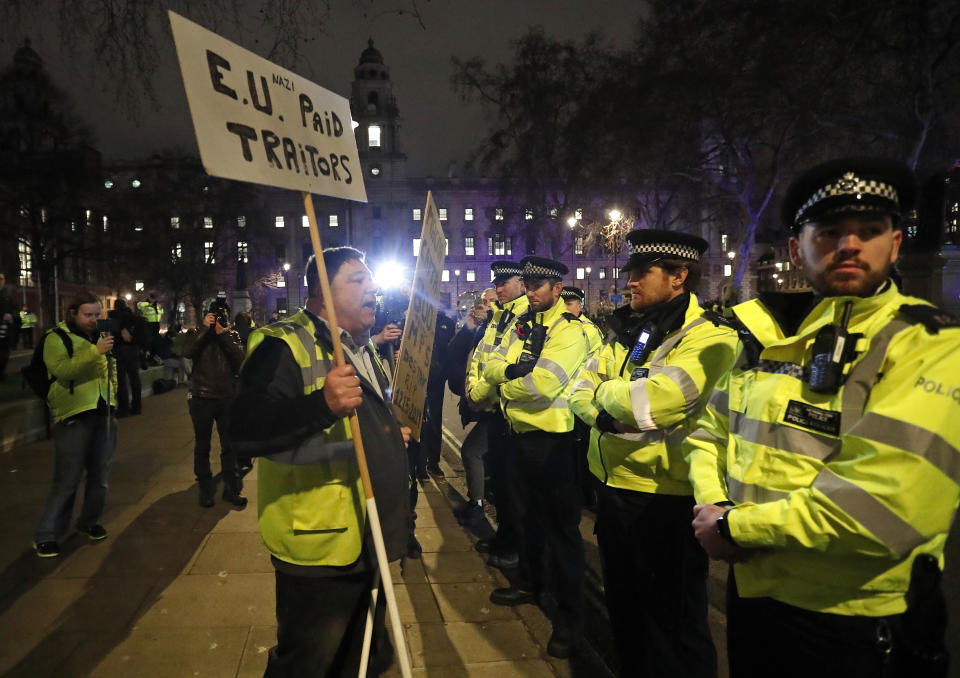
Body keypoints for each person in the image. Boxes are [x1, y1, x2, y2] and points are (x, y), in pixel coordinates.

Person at [685, 157, 960, 678]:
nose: (849, 245)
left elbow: (883, 509)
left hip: (853, 620)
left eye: (869, 231)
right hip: (758, 596)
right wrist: (712, 503)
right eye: (829, 231)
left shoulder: (932, 345)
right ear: (797, 249)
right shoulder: (777, 341)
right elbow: (708, 433)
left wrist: (734, 526)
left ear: (895, 244)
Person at [228, 247, 410, 677]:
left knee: (360, 657)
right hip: (320, 549)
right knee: (308, 664)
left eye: (372, 281)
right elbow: (244, 429)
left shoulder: (363, 347)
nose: (373, 289)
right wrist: (322, 405)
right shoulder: (282, 344)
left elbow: (364, 422)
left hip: (370, 537)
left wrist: (388, 436)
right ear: (322, 294)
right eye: (358, 281)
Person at [568, 231, 738, 677]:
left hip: (666, 501)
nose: (630, 283)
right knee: (626, 615)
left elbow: (655, 402)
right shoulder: (632, 328)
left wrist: (606, 392)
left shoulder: (709, 337)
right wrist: (607, 413)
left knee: (674, 626)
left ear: (679, 276)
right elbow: (577, 392)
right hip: (615, 491)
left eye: (643, 273)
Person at [482, 256, 590, 659]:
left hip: (553, 442)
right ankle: (529, 583)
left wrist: (502, 386)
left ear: (557, 290)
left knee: (562, 533)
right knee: (526, 519)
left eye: (537, 287)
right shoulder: (527, 323)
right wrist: (508, 373)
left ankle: (570, 619)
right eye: (526, 286)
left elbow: (543, 384)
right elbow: (494, 360)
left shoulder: (569, 330)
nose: (529, 293)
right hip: (519, 436)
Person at [32, 291, 117, 558]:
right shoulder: (55, 338)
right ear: (73, 314)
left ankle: (89, 522)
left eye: (96, 314)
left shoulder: (98, 337)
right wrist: (95, 352)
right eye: (87, 315)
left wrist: (112, 396)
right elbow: (63, 370)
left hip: (102, 414)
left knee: (100, 477)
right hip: (74, 415)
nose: (93, 320)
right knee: (67, 479)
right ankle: (47, 534)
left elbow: (108, 368)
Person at [467, 262, 528, 566]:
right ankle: (504, 537)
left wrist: (479, 393)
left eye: (506, 282)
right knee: (500, 482)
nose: (499, 288)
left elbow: (507, 366)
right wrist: (473, 388)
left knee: (511, 485)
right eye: (498, 282)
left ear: (522, 283)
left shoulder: (522, 316)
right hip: (492, 409)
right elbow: (482, 356)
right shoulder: (501, 315)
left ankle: (512, 547)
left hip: (506, 410)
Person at [182, 298, 247, 509]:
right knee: (202, 445)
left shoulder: (232, 335)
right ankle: (205, 489)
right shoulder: (197, 334)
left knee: (229, 446)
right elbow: (187, 351)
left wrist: (224, 335)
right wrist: (203, 329)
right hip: (202, 398)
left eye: (222, 315)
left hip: (227, 397)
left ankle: (232, 488)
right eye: (215, 315)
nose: (219, 318)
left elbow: (241, 360)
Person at [448, 289, 495, 526]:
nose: (485, 307)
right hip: (483, 407)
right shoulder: (481, 330)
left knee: (472, 451)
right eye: (483, 302)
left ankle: (477, 505)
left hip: (497, 410)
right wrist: (468, 326)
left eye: (490, 302)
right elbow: (453, 353)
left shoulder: (498, 330)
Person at [108, 298, 143, 418]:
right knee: (135, 379)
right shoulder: (134, 318)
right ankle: (137, 407)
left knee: (121, 381)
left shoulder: (113, 317)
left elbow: (109, 332)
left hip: (119, 350)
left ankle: (124, 408)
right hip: (133, 350)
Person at [0, 273, 18, 381]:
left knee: (5, 353)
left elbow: (16, 310)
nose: (0, 281)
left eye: (2, 279)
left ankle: (1, 373)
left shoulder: (8, 296)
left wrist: (12, 316)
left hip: (6, 330)